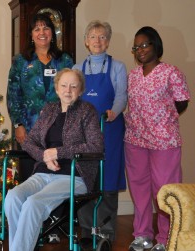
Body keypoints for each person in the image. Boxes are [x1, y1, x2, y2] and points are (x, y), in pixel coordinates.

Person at [4, 68, 104, 251]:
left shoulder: (86, 111)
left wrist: (58, 152)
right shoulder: (50, 109)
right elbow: (29, 142)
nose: (68, 90)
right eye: (64, 85)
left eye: (73, 86)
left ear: (80, 90)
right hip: (43, 173)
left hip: (75, 175)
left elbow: (96, 146)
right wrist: (44, 156)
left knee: (34, 203)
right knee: (12, 197)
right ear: (57, 89)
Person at [125, 27, 190, 251]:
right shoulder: (132, 75)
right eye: (136, 47)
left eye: (145, 45)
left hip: (164, 141)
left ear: (156, 45)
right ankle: (142, 235)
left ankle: (166, 238)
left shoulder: (171, 72)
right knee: (139, 190)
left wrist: (163, 118)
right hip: (135, 139)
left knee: (165, 190)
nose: (140, 50)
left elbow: (182, 102)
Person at [73, 20, 127, 241]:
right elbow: (72, 97)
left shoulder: (118, 67)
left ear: (108, 41)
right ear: (86, 41)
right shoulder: (77, 69)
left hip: (111, 130)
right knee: (86, 179)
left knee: (108, 178)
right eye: (93, 36)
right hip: (84, 133)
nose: (98, 40)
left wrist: (113, 112)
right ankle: (86, 231)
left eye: (103, 36)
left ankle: (105, 232)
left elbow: (122, 95)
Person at [6, 13, 73, 183]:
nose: (42, 32)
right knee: (30, 179)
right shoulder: (20, 62)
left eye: (46, 28)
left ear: (52, 32)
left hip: (59, 130)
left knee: (56, 180)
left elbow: (72, 93)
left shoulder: (64, 60)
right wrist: (18, 125)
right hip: (29, 131)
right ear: (31, 34)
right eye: (37, 29)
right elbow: (13, 95)